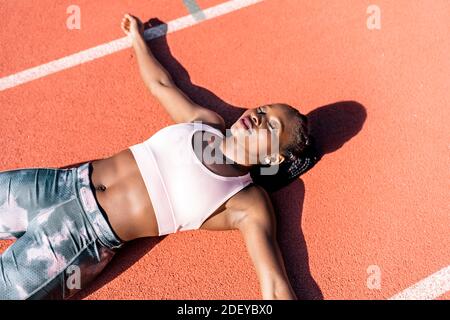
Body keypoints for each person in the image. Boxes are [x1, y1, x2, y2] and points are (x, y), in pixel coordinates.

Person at [0, 14, 320, 300]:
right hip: (59, 183)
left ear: (275, 158)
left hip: (79, 239)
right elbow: (161, 84)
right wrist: (138, 40)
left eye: (271, 125)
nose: (258, 116)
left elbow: (275, 285)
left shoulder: (247, 202)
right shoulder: (207, 123)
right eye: (263, 109)